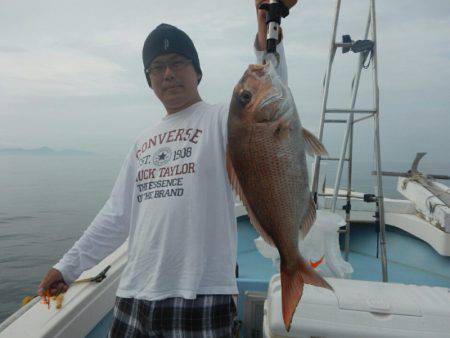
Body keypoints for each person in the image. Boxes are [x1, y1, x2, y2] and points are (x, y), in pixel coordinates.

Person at [37, 1, 289, 336]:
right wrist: (66, 267)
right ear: (149, 80)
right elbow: (116, 215)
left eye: (177, 63)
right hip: (133, 296)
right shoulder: (143, 140)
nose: (168, 73)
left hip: (202, 295)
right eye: (157, 67)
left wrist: (265, 38)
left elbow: (268, 95)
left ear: (197, 71)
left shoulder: (223, 119)